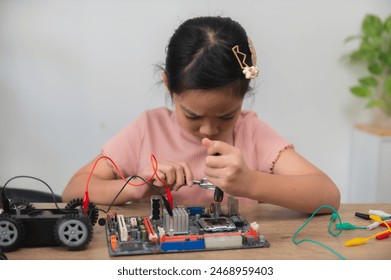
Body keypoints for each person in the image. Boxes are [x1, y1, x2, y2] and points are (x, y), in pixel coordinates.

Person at [62, 16, 340, 214]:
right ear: (169, 87)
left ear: (245, 94)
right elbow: (72, 191)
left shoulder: (251, 133)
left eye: (227, 115)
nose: (208, 129)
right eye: (193, 116)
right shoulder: (147, 129)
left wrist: (252, 183)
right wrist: (136, 187)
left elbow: (328, 195)